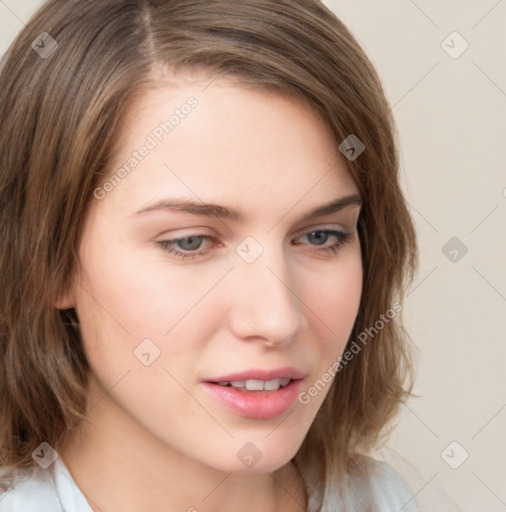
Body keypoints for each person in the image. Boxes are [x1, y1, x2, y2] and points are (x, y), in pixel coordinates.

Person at [0, 1, 419, 510]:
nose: (277, 319)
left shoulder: (385, 500)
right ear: (46, 258)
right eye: (190, 242)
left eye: (319, 236)